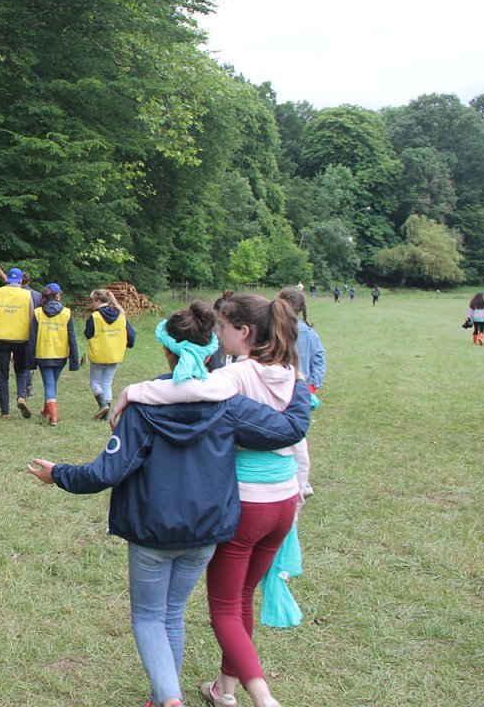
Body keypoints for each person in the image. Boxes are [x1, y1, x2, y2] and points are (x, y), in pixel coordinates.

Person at [28, 300, 313, 707]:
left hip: (152, 533)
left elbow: (106, 472)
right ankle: (163, 694)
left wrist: (57, 473)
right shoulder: (227, 402)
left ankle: (169, 700)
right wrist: (298, 381)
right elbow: (287, 429)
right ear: (213, 350)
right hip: (205, 532)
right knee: (172, 613)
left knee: (149, 616)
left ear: (166, 351)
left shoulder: (145, 406)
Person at [111, 293, 305, 707]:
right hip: (285, 499)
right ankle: (224, 689)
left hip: (247, 502)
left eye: (222, 327)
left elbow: (189, 391)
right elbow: (296, 433)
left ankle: (262, 698)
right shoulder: (291, 373)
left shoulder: (234, 377)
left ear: (244, 332)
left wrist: (133, 390)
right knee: (242, 600)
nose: (217, 334)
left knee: (224, 609)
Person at [28, 284, 79, 427]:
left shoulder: (38, 312)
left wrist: (30, 359)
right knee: (52, 383)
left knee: (50, 384)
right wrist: (73, 360)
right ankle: (46, 412)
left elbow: (32, 338)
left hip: (43, 354)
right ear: (58, 296)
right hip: (60, 354)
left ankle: (53, 417)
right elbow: (72, 338)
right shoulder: (66, 313)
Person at [84, 288, 136, 420]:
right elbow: (131, 334)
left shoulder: (95, 317)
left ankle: (102, 404)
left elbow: (87, 334)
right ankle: (105, 415)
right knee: (107, 382)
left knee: (94, 381)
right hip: (115, 355)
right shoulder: (120, 314)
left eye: (92, 301)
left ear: (97, 301)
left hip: (99, 355)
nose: (92, 304)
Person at [0, 267, 34, 419]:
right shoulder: (26, 294)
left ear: (7, 280)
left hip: (2, 338)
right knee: (20, 371)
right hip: (21, 338)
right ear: (21, 281)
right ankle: (21, 396)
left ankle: (5, 412)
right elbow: (31, 317)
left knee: (3, 375)